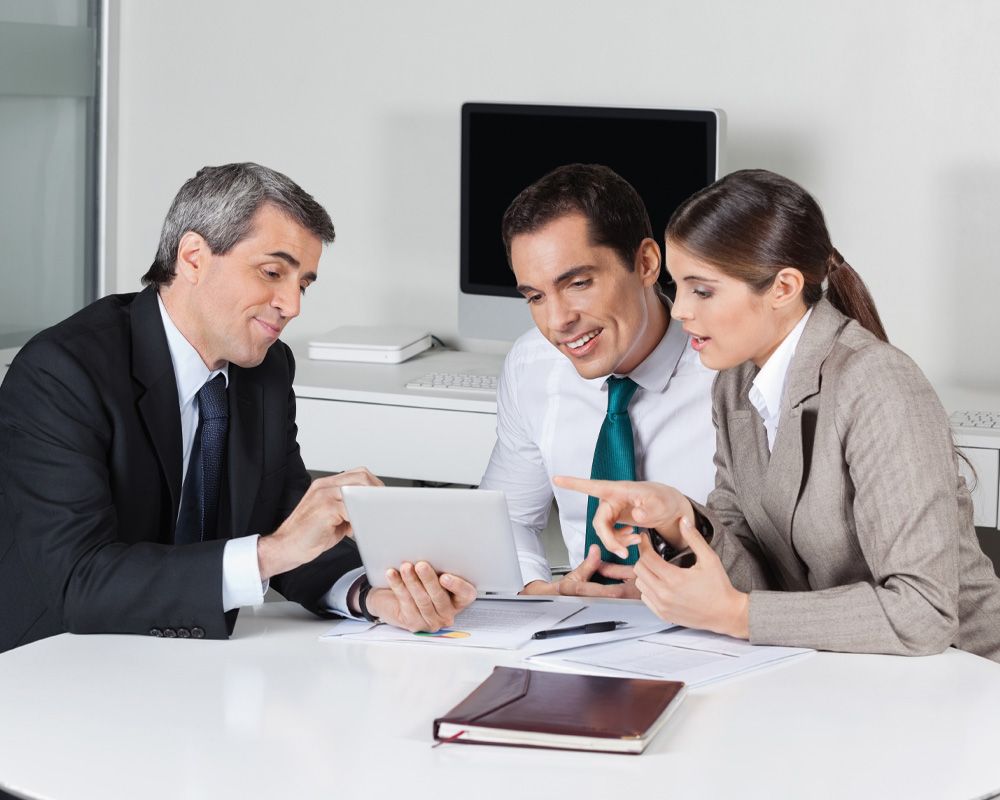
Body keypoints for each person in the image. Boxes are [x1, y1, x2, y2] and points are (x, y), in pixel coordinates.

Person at [0, 162, 474, 652]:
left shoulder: (265, 370)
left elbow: (282, 519)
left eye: (304, 284)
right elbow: (80, 582)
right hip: (49, 662)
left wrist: (372, 594)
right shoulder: (63, 372)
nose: (292, 305)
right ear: (193, 258)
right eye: (272, 272)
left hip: (183, 662)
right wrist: (272, 553)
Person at [558, 169, 1000, 660]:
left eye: (702, 290)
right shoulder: (735, 384)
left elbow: (924, 612)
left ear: (784, 287)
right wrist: (679, 518)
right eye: (677, 286)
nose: (679, 309)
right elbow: (755, 567)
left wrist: (736, 615)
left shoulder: (877, 384)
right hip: (838, 672)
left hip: (963, 675)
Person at [478, 164, 717, 597]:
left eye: (579, 283)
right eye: (535, 297)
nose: (557, 321)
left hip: (710, 631)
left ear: (645, 263)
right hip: (583, 631)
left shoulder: (726, 370)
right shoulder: (533, 364)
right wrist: (536, 589)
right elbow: (506, 517)